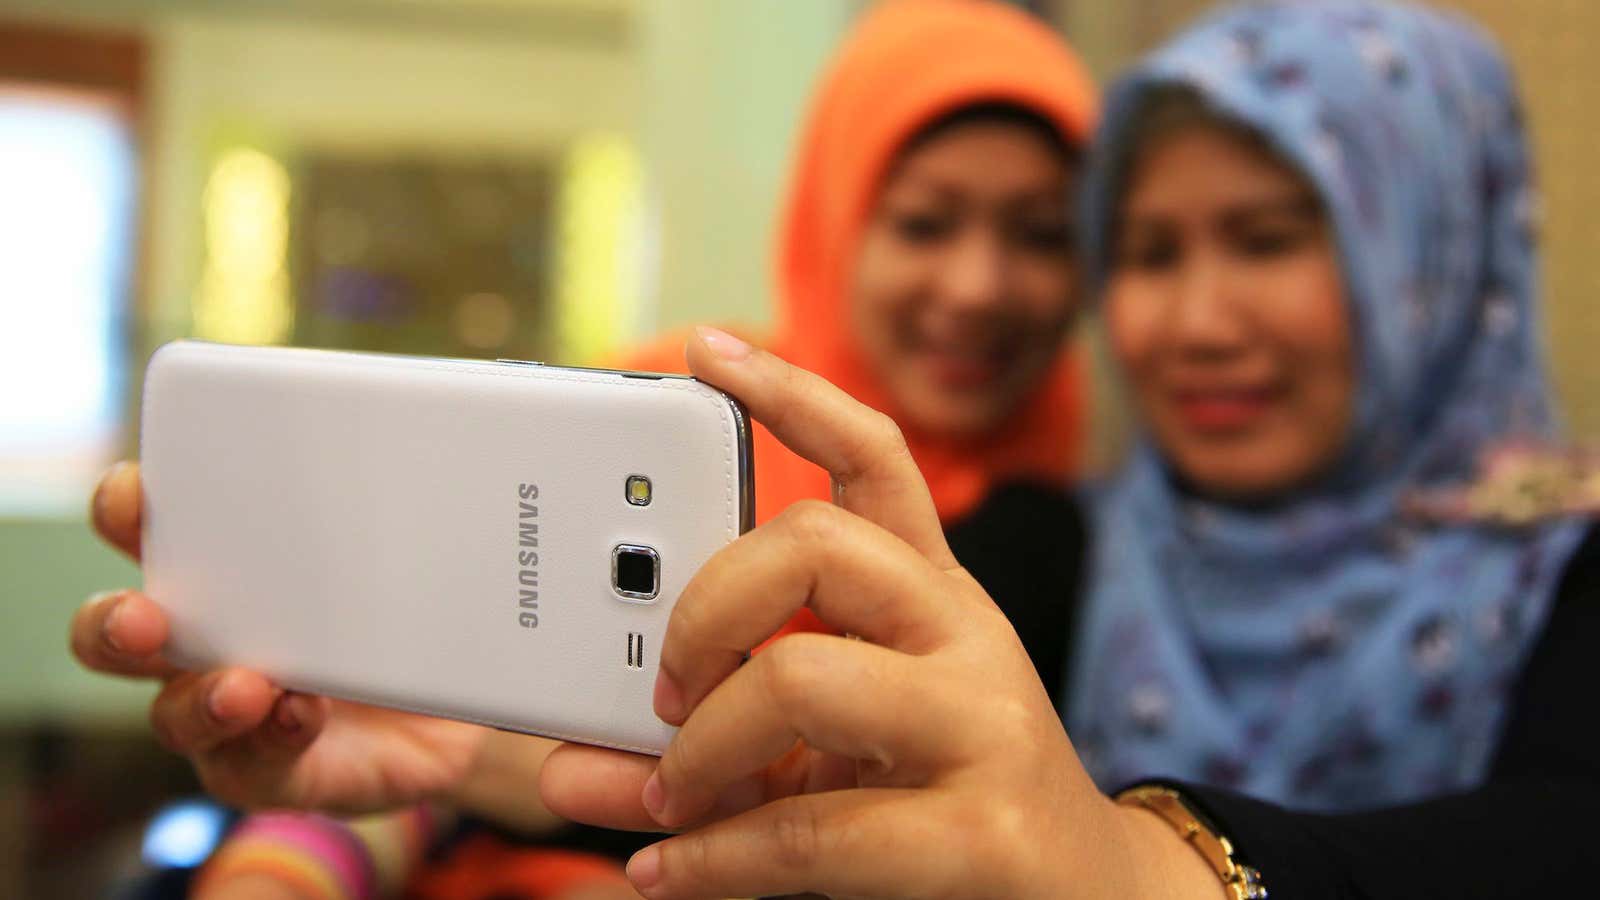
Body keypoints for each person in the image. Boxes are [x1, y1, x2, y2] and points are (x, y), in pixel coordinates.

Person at [524, 2, 1596, 896]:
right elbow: (791, 791)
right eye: (1144, 252)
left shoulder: (1566, 570)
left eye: (1268, 240)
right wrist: (468, 767)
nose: (1196, 324)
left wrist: (1138, 866)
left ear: (1436, 257)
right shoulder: (1049, 547)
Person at [76, 1, 1098, 896]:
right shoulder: (666, 403)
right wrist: (290, 861)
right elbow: (419, 733)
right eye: (923, 223)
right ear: (834, 222)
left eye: (1042, 234)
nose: (978, 286)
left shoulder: (1072, 544)